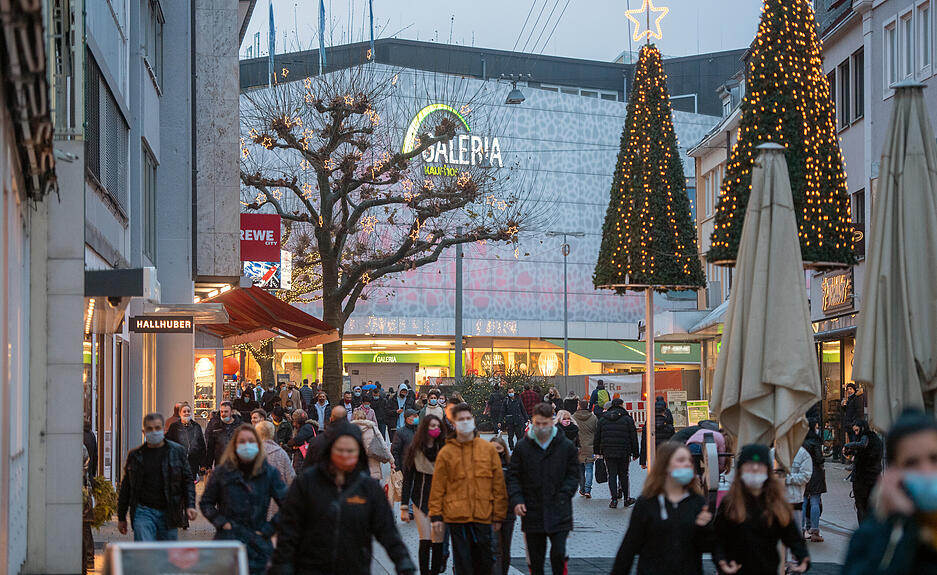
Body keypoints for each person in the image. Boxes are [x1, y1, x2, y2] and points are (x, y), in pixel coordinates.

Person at [271, 425, 417, 575]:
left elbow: (387, 531)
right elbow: (289, 527)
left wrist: (403, 561)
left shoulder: (368, 488)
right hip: (312, 566)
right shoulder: (306, 483)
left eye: (351, 451)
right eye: (340, 450)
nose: (345, 455)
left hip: (354, 566)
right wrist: (282, 564)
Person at [843, 409, 937, 574]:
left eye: (934, 459)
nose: (925, 471)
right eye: (911, 463)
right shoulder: (870, 538)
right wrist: (900, 524)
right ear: (894, 472)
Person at [611, 442, 713, 575]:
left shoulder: (696, 501)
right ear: (665, 466)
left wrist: (704, 527)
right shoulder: (647, 503)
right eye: (681, 460)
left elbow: (708, 546)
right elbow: (629, 546)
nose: (688, 464)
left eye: (690, 461)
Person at [429, 403, 507, 575]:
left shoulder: (487, 450)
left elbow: (498, 486)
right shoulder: (446, 453)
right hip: (457, 517)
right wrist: (436, 516)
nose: (465, 422)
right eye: (461, 419)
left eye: (468, 418)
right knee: (463, 564)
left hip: (483, 515)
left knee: (485, 562)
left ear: (473, 420)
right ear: (454, 423)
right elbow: (438, 487)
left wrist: (499, 515)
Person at [200, 424, 287, 575]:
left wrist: (269, 529)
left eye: (251, 441)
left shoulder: (269, 473)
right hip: (228, 542)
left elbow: (288, 504)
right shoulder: (222, 472)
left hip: (257, 543)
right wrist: (221, 522)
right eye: (242, 442)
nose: (247, 446)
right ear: (234, 445)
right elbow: (206, 502)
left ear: (258, 445)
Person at [712, 444, 809, 575]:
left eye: (760, 464)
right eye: (749, 464)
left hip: (766, 569)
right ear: (741, 469)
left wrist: (802, 557)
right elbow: (718, 538)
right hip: (735, 569)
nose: (755, 468)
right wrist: (721, 561)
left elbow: (791, 535)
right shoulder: (730, 502)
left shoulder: (776, 504)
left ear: (768, 470)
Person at [507, 403, 579, 575]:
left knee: (558, 554)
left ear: (552, 422)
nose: (541, 427)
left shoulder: (565, 446)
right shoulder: (523, 447)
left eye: (544, 423)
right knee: (536, 558)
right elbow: (513, 476)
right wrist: (517, 500)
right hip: (532, 511)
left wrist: (565, 494)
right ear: (533, 422)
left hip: (559, 510)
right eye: (537, 423)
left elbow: (574, 475)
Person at [117, 413, 197, 541]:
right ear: (144, 431)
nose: (154, 432)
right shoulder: (136, 456)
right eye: (150, 429)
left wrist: (190, 505)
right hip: (143, 512)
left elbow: (187, 480)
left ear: (164, 430)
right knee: (145, 551)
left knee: (166, 553)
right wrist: (121, 517)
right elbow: (126, 487)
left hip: (169, 511)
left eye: (157, 428)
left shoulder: (176, 452)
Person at [400, 414, 447, 575]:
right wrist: (404, 507)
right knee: (425, 540)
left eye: (437, 426)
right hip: (420, 500)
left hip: (441, 501)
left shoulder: (446, 450)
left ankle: (434, 571)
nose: (435, 429)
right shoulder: (415, 451)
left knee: (438, 541)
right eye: (432, 426)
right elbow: (408, 480)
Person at [594, 397, 640, 508]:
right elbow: (633, 437)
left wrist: (597, 451)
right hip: (624, 452)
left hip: (608, 452)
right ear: (621, 405)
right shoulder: (627, 419)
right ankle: (626, 499)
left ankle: (614, 500)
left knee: (612, 475)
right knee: (624, 475)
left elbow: (597, 437)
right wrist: (635, 452)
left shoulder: (603, 420)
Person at [844, 419, 883, 523]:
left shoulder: (865, 438)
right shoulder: (877, 440)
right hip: (875, 477)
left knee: (861, 506)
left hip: (862, 479)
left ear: (862, 428)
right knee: (872, 507)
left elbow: (862, 445)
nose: (856, 433)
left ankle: (864, 530)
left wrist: (848, 445)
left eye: (857, 430)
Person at [769, 445, 812, 539]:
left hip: (794, 501)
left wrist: (785, 478)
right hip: (776, 501)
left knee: (795, 538)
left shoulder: (802, 453)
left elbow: (805, 476)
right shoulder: (772, 453)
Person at [255, 421, 295, 519]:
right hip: (276, 506)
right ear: (272, 434)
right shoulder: (281, 454)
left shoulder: (251, 453)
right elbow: (291, 479)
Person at [490, 437, 516, 575]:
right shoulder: (485, 465)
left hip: (508, 513)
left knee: (505, 549)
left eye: (498, 449)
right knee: (495, 548)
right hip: (491, 513)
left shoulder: (509, 465)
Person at [165, 403, 206, 481]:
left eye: (188, 411)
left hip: (193, 463)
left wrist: (203, 463)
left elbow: (201, 445)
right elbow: (168, 442)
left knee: (190, 486)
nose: (187, 413)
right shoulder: (174, 427)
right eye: (184, 411)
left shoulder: (196, 426)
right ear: (180, 413)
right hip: (177, 462)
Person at [801, 419, 826, 542]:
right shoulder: (815, 441)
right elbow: (819, 459)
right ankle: (815, 531)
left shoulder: (799, 440)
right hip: (815, 473)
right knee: (815, 501)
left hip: (803, 472)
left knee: (803, 501)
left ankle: (802, 529)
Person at [351, 407, 390, 481]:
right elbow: (383, 445)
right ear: (365, 417)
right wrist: (391, 461)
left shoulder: (349, 430)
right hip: (373, 463)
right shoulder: (373, 428)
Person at [639, 397, 676, 468]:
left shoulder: (647, 427)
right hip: (665, 454)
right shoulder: (669, 428)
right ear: (664, 412)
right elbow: (673, 443)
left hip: (652, 455)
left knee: (655, 474)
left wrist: (643, 461)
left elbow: (644, 444)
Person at [206, 401, 242, 469]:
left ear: (231, 412)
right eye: (221, 412)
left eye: (226, 412)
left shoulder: (239, 425)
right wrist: (208, 464)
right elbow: (210, 446)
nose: (223, 414)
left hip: (236, 463)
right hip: (220, 463)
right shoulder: (215, 425)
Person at [572, 400, 597, 498]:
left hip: (578, 446)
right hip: (590, 446)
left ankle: (582, 489)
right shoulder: (593, 417)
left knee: (580, 469)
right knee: (589, 468)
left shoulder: (574, 418)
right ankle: (588, 490)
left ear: (579, 406)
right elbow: (596, 430)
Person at [287, 410, 317, 475]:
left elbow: (297, 440)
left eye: (294, 420)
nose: (293, 423)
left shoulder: (306, 428)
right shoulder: (307, 427)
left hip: (303, 459)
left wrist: (290, 443)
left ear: (298, 421)